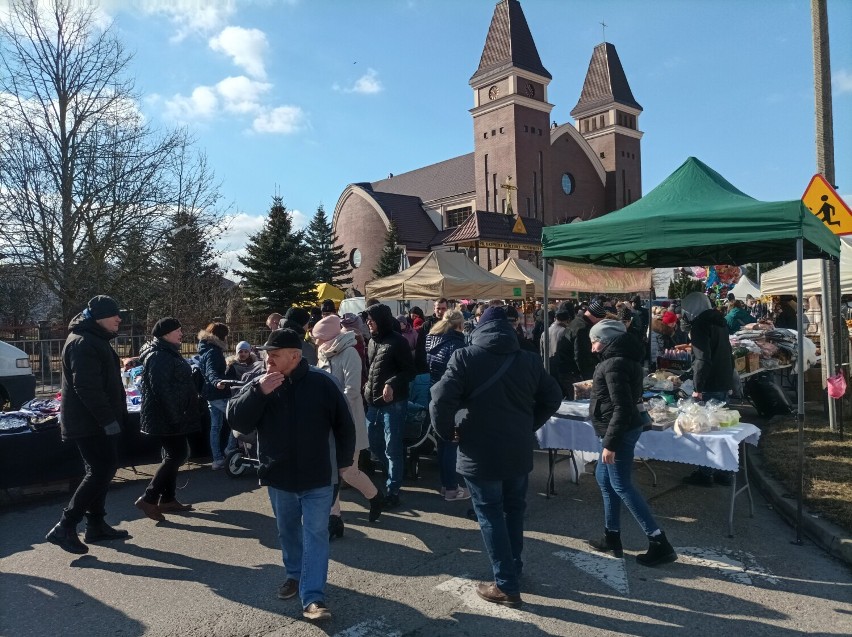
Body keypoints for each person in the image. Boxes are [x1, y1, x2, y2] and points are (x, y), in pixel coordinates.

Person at [430, 306, 562, 607]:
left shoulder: (466, 357)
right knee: (513, 510)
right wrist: (529, 424)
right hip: (517, 448)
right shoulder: (527, 359)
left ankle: (506, 583)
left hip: (480, 450)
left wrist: (447, 433)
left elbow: (439, 401)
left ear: (480, 328)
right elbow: (553, 397)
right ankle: (512, 570)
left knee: (491, 514)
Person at [227, 329, 355, 622]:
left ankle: (313, 597)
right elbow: (236, 420)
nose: (267, 361)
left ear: (295, 357)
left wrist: (345, 463)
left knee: (316, 534)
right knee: (288, 531)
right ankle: (294, 575)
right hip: (278, 475)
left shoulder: (322, 383)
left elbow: (344, 426)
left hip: (318, 475)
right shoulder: (258, 381)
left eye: (274, 356)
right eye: (266, 355)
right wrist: (259, 393)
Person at [585, 319, 677, 567]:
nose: (592, 347)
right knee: (604, 480)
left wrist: (610, 444)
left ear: (605, 341)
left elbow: (622, 407)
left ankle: (659, 542)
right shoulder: (623, 359)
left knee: (622, 485)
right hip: (621, 429)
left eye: (594, 341)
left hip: (620, 432)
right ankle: (612, 536)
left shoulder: (613, 363)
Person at [45, 295, 129, 554]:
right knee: (100, 471)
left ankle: (96, 524)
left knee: (102, 469)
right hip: (90, 423)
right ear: (100, 317)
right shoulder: (83, 342)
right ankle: (65, 526)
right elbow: (87, 388)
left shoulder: (93, 339)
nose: (119, 319)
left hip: (95, 422)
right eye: (114, 314)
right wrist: (107, 420)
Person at [312, 315, 384, 537]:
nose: (315, 343)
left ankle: (375, 497)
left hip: (348, 422)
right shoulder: (323, 352)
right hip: (327, 423)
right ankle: (334, 520)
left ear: (329, 336)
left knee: (348, 472)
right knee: (330, 473)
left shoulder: (349, 352)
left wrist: (330, 409)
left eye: (318, 338)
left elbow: (352, 391)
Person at [135, 317, 199, 521]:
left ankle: (168, 499)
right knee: (177, 455)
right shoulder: (159, 355)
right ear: (165, 334)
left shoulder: (167, 351)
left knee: (174, 454)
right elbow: (161, 390)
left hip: (171, 415)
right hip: (166, 417)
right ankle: (149, 497)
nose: (181, 333)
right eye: (178, 330)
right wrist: (175, 416)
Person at [364, 303, 416, 508]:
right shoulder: (371, 341)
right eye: (367, 318)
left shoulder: (398, 342)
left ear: (382, 320)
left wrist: (391, 383)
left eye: (372, 318)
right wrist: (367, 386)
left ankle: (393, 490)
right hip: (373, 402)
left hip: (394, 403)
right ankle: (393, 473)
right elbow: (372, 369)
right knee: (371, 442)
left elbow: (409, 371)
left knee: (392, 447)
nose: (368, 322)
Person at [680, 292, 734, 487]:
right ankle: (724, 471)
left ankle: (705, 473)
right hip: (723, 378)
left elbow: (702, 359)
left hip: (710, 383)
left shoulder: (700, 326)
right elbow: (727, 352)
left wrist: (697, 387)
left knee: (704, 429)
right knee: (720, 429)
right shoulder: (719, 321)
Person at [425, 309, 470, 501]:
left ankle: (446, 485)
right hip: (452, 397)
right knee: (451, 442)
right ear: (459, 325)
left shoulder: (432, 340)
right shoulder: (456, 344)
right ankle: (451, 488)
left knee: (443, 441)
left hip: (435, 393)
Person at [198, 322, 238, 469]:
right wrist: (217, 382)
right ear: (222, 336)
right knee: (237, 419)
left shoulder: (205, 349)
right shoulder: (214, 352)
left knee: (216, 427)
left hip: (210, 393)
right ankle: (230, 448)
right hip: (217, 392)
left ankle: (217, 458)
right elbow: (211, 372)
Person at [563, 295, 609, 383]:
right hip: (573, 373)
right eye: (600, 320)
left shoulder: (576, 321)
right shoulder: (582, 329)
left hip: (567, 370)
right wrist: (588, 379)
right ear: (595, 317)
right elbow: (581, 357)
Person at [542, 302, 575, 397]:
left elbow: (542, 353)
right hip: (564, 372)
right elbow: (571, 353)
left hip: (549, 370)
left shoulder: (545, 332)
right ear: (568, 320)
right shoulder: (566, 332)